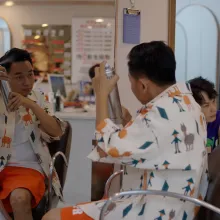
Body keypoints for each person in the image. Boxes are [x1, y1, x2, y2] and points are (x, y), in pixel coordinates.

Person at [43, 41, 208, 220]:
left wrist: (101, 95)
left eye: (131, 83)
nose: (132, 87)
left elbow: (105, 148)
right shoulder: (188, 104)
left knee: (52, 217)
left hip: (150, 210)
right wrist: (130, 122)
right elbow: (157, 145)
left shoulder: (156, 116)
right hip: (180, 207)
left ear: (143, 84)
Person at [0, 48, 66, 220]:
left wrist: (30, 104)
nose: (27, 82)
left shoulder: (38, 97)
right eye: (19, 77)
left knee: (19, 198)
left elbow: (56, 132)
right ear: (5, 77)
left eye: (30, 74)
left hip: (29, 167)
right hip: (2, 167)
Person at [189, 76, 219, 153]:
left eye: (213, 102)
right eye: (206, 105)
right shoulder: (189, 125)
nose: (214, 109)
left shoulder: (217, 118)